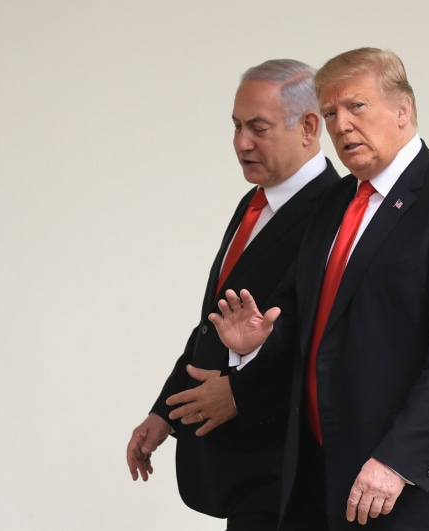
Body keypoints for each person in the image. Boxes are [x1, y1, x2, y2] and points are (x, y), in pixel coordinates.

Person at [210, 48, 429, 530]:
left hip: (423, 488)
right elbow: (300, 310)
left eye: (357, 107)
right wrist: (257, 342)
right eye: (332, 112)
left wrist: (398, 461)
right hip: (332, 478)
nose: (341, 126)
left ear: (403, 111)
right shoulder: (334, 201)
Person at [125, 58, 340, 531]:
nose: (241, 143)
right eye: (237, 126)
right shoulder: (255, 202)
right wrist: (165, 412)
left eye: (258, 128)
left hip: (288, 475)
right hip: (241, 472)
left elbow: (324, 344)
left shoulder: (337, 214)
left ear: (308, 127)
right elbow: (214, 323)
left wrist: (241, 394)